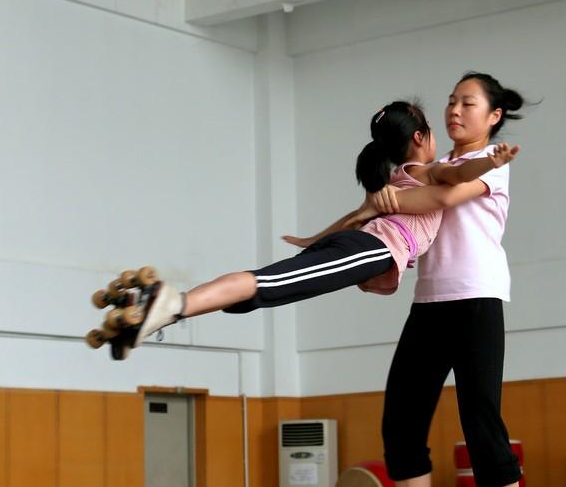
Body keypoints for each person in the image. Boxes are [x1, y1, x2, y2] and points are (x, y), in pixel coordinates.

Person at [113, 101, 519, 351]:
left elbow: (354, 219)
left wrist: (313, 241)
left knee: (267, 285)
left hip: (358, 243)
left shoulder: (395, 180)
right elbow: (459, 174)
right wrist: (492, 161)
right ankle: (173, 305)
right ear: (419, 136)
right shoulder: (428, 173)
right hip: (371, 250)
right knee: (268, 283)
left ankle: (164, 311)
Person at [363, 72, 527, 487]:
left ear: (493, 116)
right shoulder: (427, 168)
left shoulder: (493, 162)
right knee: (401, 420)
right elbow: (409, 204)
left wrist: (386, 198)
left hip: (477, 298)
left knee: (481, 420)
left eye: (468, 103)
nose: (455, 110)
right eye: (452, 101)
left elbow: (443, 199)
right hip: (429, 303)